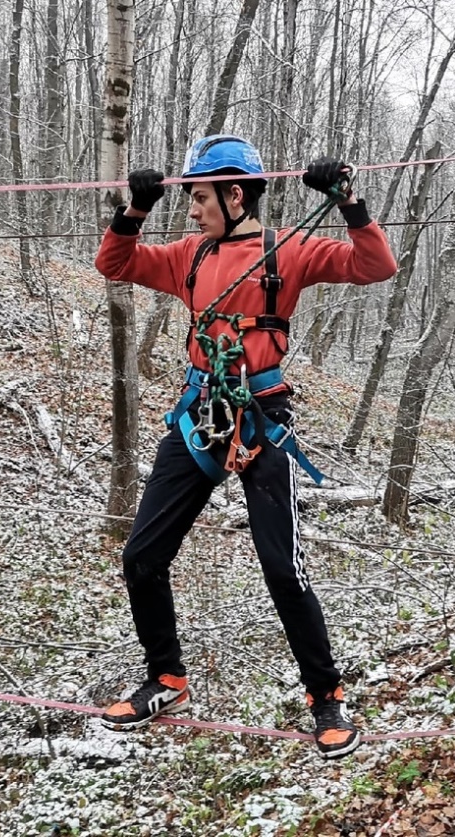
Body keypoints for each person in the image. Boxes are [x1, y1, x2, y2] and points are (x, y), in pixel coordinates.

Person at [93, 134, 397, 759]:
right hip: (200, 415)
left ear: (235, 195)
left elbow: (376, 267)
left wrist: (349, 202)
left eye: (199, 197)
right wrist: (135, 209)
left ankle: (326, 697)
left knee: (283, 569)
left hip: (261, 419)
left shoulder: (290, 252)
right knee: (141, 558)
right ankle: (167, 679)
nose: (193, 209)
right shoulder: (190, 257)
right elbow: (114, 265)